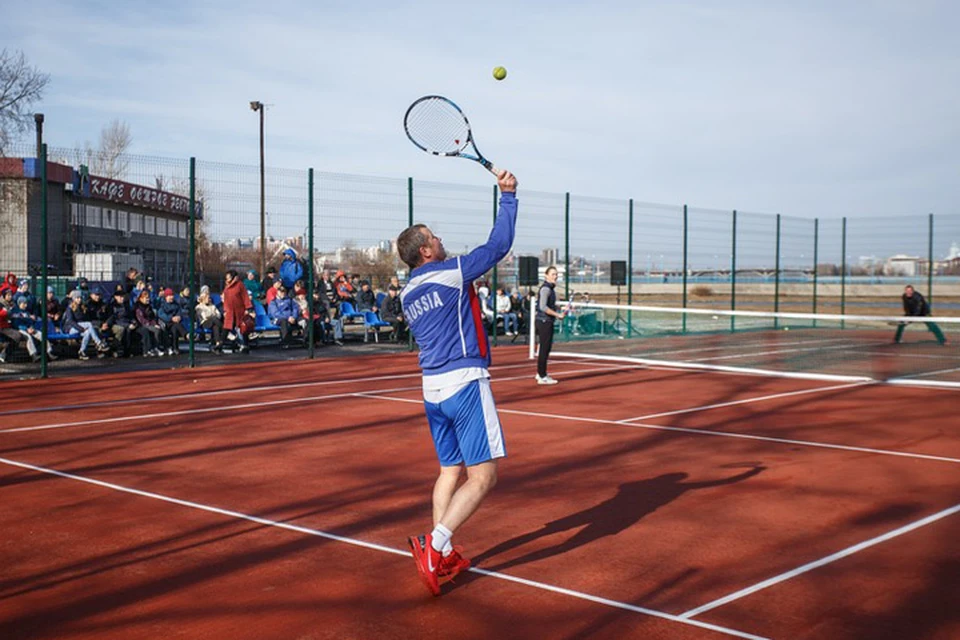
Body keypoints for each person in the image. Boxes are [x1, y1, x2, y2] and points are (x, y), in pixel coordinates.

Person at [396, 168, 518, 597]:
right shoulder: (447, 272)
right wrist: (508, 195)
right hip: (465, 382)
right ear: (426, 250)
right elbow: (498, 246)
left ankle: (438, 547)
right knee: (484, 478)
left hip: (432, 389)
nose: (441, 238)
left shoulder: (407, 292)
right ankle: (436, 544)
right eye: (435, 236)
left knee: (450, 469)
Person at [534, 266, 568, 385]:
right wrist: (557, 315)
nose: (555, 276)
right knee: (544, 348)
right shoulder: (546, 289)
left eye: (556, 274)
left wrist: (560, 309)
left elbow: (550, 305)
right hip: (544, 321)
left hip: (546, 321)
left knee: (545, 348)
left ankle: (541, 373)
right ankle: (542, 375)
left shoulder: (551, 289)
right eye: (553, 274)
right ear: (546, 276)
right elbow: (543, 307)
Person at [63, 291, 110, 360]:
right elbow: (71, 321)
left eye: (80, 298)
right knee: (88, 324)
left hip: (81, 327)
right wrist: (81, 328)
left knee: (87, 333)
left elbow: (85, 319)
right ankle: (99, 343)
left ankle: (82, 351)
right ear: (73, 299)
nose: (79, 299)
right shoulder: (69, 308)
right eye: (77, 298)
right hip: (70, 328)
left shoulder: (82, 307)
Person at [10, 296, 56, 362]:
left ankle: (49, 352)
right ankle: (33, 355)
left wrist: (31, 327)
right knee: (28, 337)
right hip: (20, 330)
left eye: (26, 303)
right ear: (19, 303)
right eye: (24, 303)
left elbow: (30, 321)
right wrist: (26, 329)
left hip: (29, 329)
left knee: (41, 335)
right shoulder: (15, 312)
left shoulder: (27, 312)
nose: (25, 305)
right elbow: (16, 324)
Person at [222, 270, 254, 354]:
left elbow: (245, 297)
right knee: (226, 327)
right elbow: (226, 299)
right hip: (230, 311)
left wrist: (248, 308)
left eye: (228, 277)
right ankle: (220, 344)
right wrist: (225, 310)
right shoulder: (227, 287)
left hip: (239, 311)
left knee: (243, 327)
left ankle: (245, 345)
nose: (227, 279)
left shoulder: (240, 285)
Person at [106, 290, 137, 357]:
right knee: (124, 330)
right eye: (120, 297)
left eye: (123, 297)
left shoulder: (126, 305)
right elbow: (114, 319)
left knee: (133, 329)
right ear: (115, 297)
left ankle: (128, 350)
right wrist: (128, 325)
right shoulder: (112, 307)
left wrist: (134, 322)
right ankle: (120, 349)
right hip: (117, 324)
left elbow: (130, 316)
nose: (122, 298)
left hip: (127, 323)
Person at [157, 288, 188, 355]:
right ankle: (186, 335)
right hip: (166, 322)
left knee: (175, 328)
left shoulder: (176, 304)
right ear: (166, 297)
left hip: (174, 323)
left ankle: (175, 347)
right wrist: (171, 318)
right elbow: (161, 315)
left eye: (172, 295)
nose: (171, 297)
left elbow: (179, 312)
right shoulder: (162, 305)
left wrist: (178, 317)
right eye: (169, 296)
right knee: (174, 326)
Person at [134, 289, 164, 356]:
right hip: (142, 324)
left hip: (149, 323)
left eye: (148, 298)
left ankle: (163, 346)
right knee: (156, 330)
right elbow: (141, 320)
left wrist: (155, 323)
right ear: (141, 298)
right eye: (146, 298)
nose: (148, 299)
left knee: (161, 327)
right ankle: (155, 347)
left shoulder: (149, 306)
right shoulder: (138, 307)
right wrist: (152, 324)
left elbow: (152, 317)